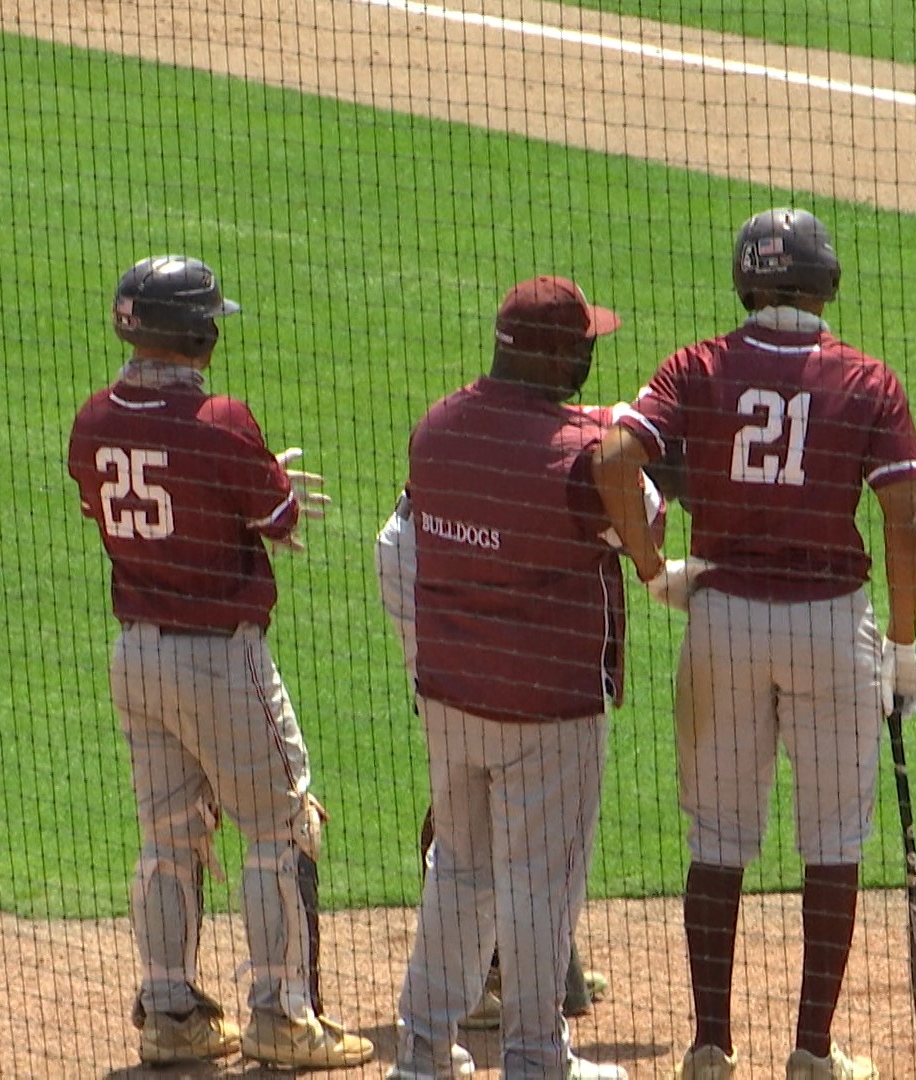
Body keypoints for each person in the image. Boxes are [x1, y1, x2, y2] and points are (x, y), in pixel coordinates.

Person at [592, 209, 916, 1080]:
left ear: (744, 284)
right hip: (830, 626)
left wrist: (649, 566)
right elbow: (908, 520)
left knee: (716, 840)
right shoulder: (869, 380)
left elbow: (613, 458)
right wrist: (902, 644)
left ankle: (709, 1047)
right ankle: (813, 1053)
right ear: (829, 285)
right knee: (835, 843)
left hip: (724, 620)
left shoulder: (697, 365)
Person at [66, 254, 374, 1071]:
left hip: (135, 658)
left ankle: (169, 1013)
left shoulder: (94, 418)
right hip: (220, 662)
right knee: (282, 829)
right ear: (200, 335)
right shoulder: (222, 421)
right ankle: (281, 1015)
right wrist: (274, 494)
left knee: (168, 837)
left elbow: (104, 501)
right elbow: (274, 517)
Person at [385, 275, 643, 1080]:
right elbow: (646, 523)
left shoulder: (437, 428)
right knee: (540, 884)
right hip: (547, 708)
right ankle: (536, 1059)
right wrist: (628, 435)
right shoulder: (582, 450)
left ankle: (422, 1055)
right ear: (566, 356)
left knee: (458, 869)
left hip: (452, 696)